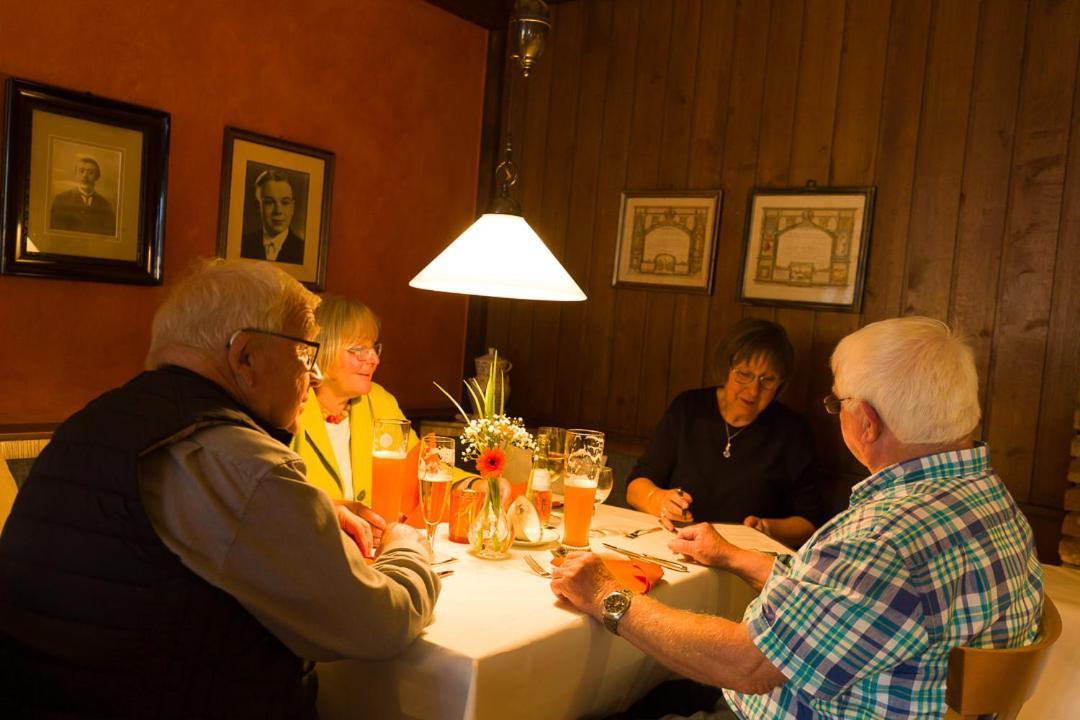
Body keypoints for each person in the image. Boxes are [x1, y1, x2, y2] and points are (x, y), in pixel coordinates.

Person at [0, 260, 440, 719]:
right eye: (307, 354)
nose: (313, 376)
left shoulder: (94, 423)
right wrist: (407, 551)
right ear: (245, 357)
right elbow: (376, 625)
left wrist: (314, 507)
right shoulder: (235, 458)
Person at [551, 316, 1043, 719]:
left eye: (838, 402)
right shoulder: (992, 501)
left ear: (866, 422)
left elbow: (749, 664)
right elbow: (850, 600)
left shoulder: (884, 538)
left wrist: (604, 595)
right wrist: (736, 556)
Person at [626, 319, 821, 548]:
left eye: (767, 380)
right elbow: (635, 486)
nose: (753, 389)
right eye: (744, 374)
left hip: (744, 556)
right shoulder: (689, 409)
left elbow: (810, 523)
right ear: (726, 369)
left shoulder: (792, 431)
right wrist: (657, 499)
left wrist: (766, 528)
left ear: (780, 383)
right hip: (676, 545)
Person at [292, 295, 417, 506]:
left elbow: (423, 465)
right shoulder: (291, 407)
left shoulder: (379, 401)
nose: (374, 360)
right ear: (322, 349)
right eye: (359, 349)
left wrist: (471, 485)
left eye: (374, 348)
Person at [241, 169, 305, 264]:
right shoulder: (243, 244)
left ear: (292, 208)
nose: (278, 211)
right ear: (258, 206)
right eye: (269, 202)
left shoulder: (302, 250)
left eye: (285, 202)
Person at [49, 155, 117, 235]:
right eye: (81, 171)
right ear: (76, 175)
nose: (85, 176)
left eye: (91, 172)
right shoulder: (61, 199)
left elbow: (109, 234)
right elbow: (55, 230)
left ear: (97, 177)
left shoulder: (105, 205)